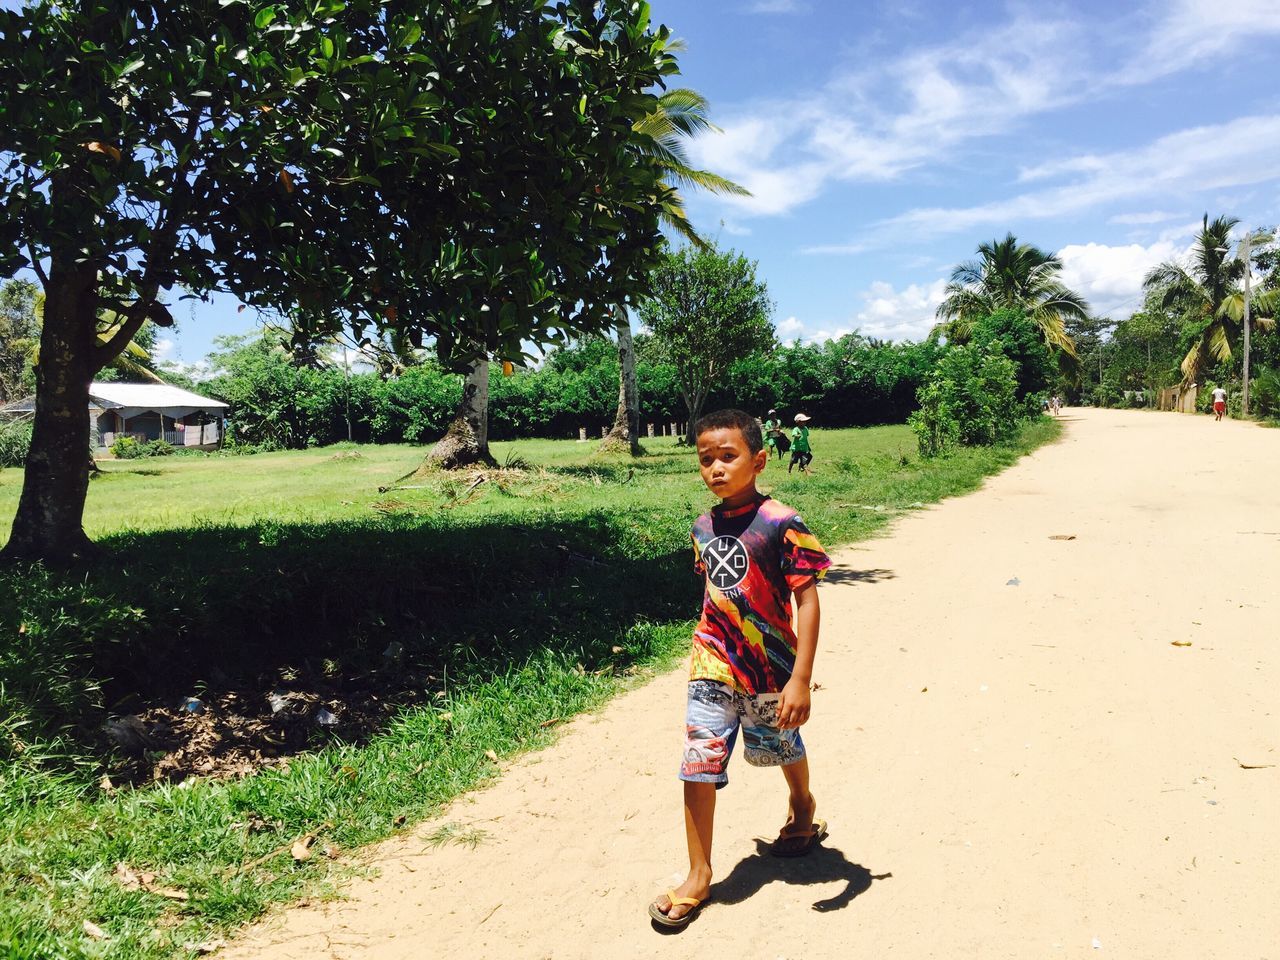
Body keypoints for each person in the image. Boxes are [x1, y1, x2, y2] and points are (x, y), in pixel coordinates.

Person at [649, 409, 832, 929]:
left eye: (728, 457)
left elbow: (808, 601)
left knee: (779, 746)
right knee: (697, 759)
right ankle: (699, 872)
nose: (716, 468)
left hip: (771, 667)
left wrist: (799, 676)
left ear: (759, 459)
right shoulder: (702, 526)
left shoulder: (782, 523)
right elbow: (714, 590)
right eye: (706, 459)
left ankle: (801, 802)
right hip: (713, 660)